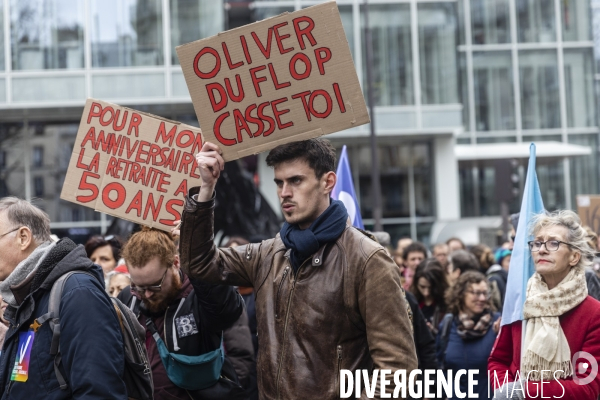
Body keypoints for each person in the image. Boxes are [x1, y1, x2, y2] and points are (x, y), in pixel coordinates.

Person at [178, 139, 418, 399]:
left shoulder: (367, 259)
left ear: (328, 182)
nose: (284, 192)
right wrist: (206, 188)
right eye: (279, 183)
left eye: (295, 181)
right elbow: (198, 262)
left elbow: (398, 373)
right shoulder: (269, 253)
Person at [0, 197, 127, 398]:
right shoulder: (27, 300)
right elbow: (22, 379)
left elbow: (98, 391)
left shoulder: (77, 291)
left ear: (23, 237)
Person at [117, 227, 246, 399]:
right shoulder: (128, 298)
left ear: (176, 263)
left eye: (155, 285)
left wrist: (198, 251)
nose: (146, 294)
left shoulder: (199, 295)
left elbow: (227, 310)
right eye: (139, 286)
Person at [489, 210, 600, 399]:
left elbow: (587, 387)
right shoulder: (520, 302)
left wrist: (523, 392)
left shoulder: (593, 313)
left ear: (574, 257)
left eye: (554, 243)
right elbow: (498, 360)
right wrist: (506, 390)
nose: (541, 249)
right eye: (537, 243)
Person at [436, 271, 500, 400]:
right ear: (461, 294)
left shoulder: (497, 324)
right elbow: (439, 365)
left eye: (485, 293)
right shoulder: (448, 324)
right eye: (476, 293)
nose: (482, 298)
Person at [410, 259, 449, 335]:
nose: (426, 293)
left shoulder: (448, 302)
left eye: (431, 288)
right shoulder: (410, 301)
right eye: (422, 287)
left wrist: (433, 332)